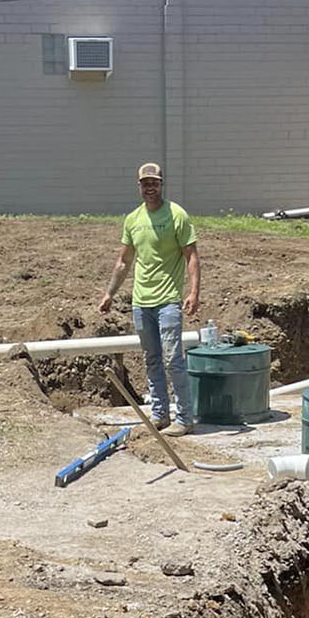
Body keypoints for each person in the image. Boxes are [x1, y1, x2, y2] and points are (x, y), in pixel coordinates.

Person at [98, 160, 201, 434]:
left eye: (154, 182)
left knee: (172, 358)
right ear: (139, 186)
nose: (150, 187)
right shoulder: (133, 220)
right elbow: (124, 261)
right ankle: (159, 414)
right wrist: (110, 293)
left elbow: (191, 256)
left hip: (168, 300)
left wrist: (193, 292)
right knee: (151, 358)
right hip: (141, 302)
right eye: (145, 183)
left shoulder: (177, 215)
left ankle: (184, 418)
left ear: (161, 184)